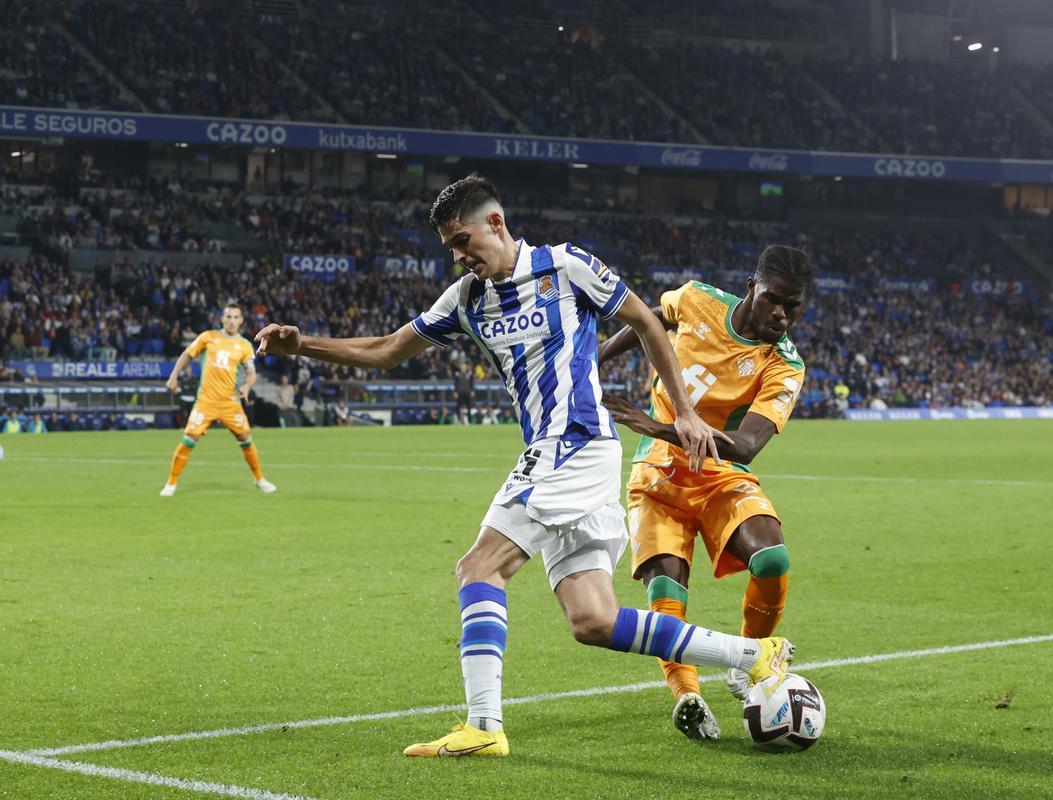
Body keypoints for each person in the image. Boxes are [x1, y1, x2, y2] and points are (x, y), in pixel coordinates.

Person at [255, 174, 795, 758]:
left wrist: (685, 414)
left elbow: (643, 319)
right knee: (594, 619)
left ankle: (483, 725)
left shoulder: (566, 266)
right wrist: (302, 344)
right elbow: (389, 349)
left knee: (479, 566)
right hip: (562, 452)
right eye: (450, 248)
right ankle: (755, 654)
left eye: (463, 240)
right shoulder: (465, 298)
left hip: (574, 443)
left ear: (496, 222)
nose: (459, 256)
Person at [597, 245, 812, 740]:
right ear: (752, 288)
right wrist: (596, 358)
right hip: (658, 476)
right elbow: (649, 320)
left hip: (720, 475)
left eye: (794, 306)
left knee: (773, 559)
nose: (782, 314)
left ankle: (748, 661)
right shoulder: (697, 299)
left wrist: (655, 425)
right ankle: (687, 695)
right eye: (774, 300)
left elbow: (748, 446)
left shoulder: (784, 365)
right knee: (667, 594)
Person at [160, 302, 276, 497]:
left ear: (241, 321)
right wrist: (173, 376)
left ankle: (259, 479)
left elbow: (251, 373)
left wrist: (247, 386)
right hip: (206, 401)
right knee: (189, 438)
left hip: (230, 402)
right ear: (222, 319)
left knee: (245, 438)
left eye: (235, 317)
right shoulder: (208, 337)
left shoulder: (245, 345)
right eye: (228, 317)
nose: (231, 321)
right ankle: (171, 483)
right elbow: (187, 355)